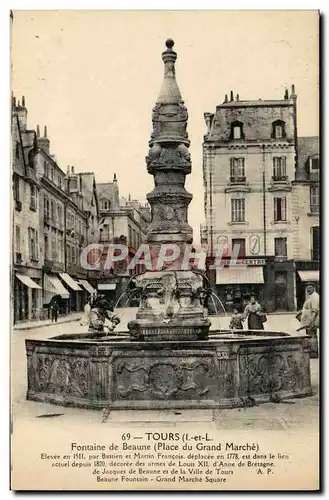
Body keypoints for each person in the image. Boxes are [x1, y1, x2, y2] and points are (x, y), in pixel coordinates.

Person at [298, 282, 320, 358]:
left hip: (312, 320)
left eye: (310, 288)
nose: (308, 289)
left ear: (314, 288)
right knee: (310, 335)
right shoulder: (311, 297)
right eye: (307, 288)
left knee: (312, 336)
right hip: (309, 320)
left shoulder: (315, 297)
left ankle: (313, 353)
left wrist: (311, 320)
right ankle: (312, 352)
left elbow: (315, 310)